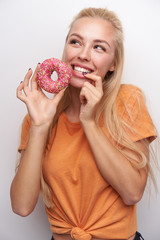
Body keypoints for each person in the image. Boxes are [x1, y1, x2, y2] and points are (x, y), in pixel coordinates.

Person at [10, 7, 158, 240]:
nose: (84, 54)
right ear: (66, 48)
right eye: (76, 42)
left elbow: (132, 193)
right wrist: (39, 127)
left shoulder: (128, 101)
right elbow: (21, 207)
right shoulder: (39, 116)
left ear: (113, 63)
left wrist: (88, 121)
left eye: (99, 47)